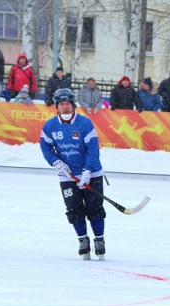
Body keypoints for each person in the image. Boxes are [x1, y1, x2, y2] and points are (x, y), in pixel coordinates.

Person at [40, 88, 107, 260]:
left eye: (67, 104)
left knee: (95, 208)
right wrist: (56, 162)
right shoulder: (50, 126)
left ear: (72, 105)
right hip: (67, 176)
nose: (65, 107)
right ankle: (82, 240)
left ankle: (99, 240)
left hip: (91, 174)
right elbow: (46, 147)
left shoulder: (85, 124)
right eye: (61, 104)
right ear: (57, 106)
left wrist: (87, 170)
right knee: (74, 209)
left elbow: (93, 150)